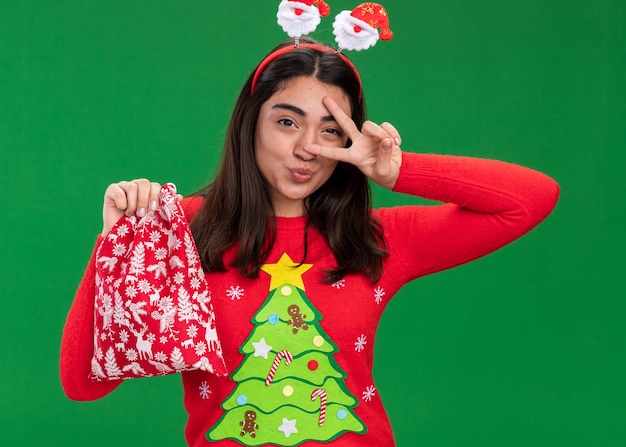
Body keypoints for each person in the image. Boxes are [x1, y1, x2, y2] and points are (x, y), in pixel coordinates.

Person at [60, 36, 560, 446]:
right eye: (286, 122)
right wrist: (115, 247)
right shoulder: (184, 230)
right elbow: (84, 386)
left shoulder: (375, 240)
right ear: (249, 122)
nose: (306, 149)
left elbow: (531, 198)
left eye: (329, 131)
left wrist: (397, 169)